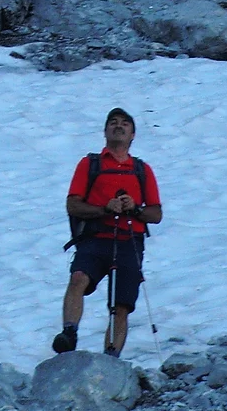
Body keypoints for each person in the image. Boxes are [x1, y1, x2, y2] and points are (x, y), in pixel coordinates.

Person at [54, 107, 162, 357]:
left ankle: (110, 356)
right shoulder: (89, 164)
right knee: (78, 277)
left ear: (133, 134)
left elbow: (156, 214)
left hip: (129, 241)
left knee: (121, 304)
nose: (118, 126)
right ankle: (69, 333)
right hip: (95, 237)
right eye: (113, 123)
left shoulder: (142, 170)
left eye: (124, 123)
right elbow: (73, 204)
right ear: (105, 131)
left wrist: (134, 210)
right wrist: (105, 209)